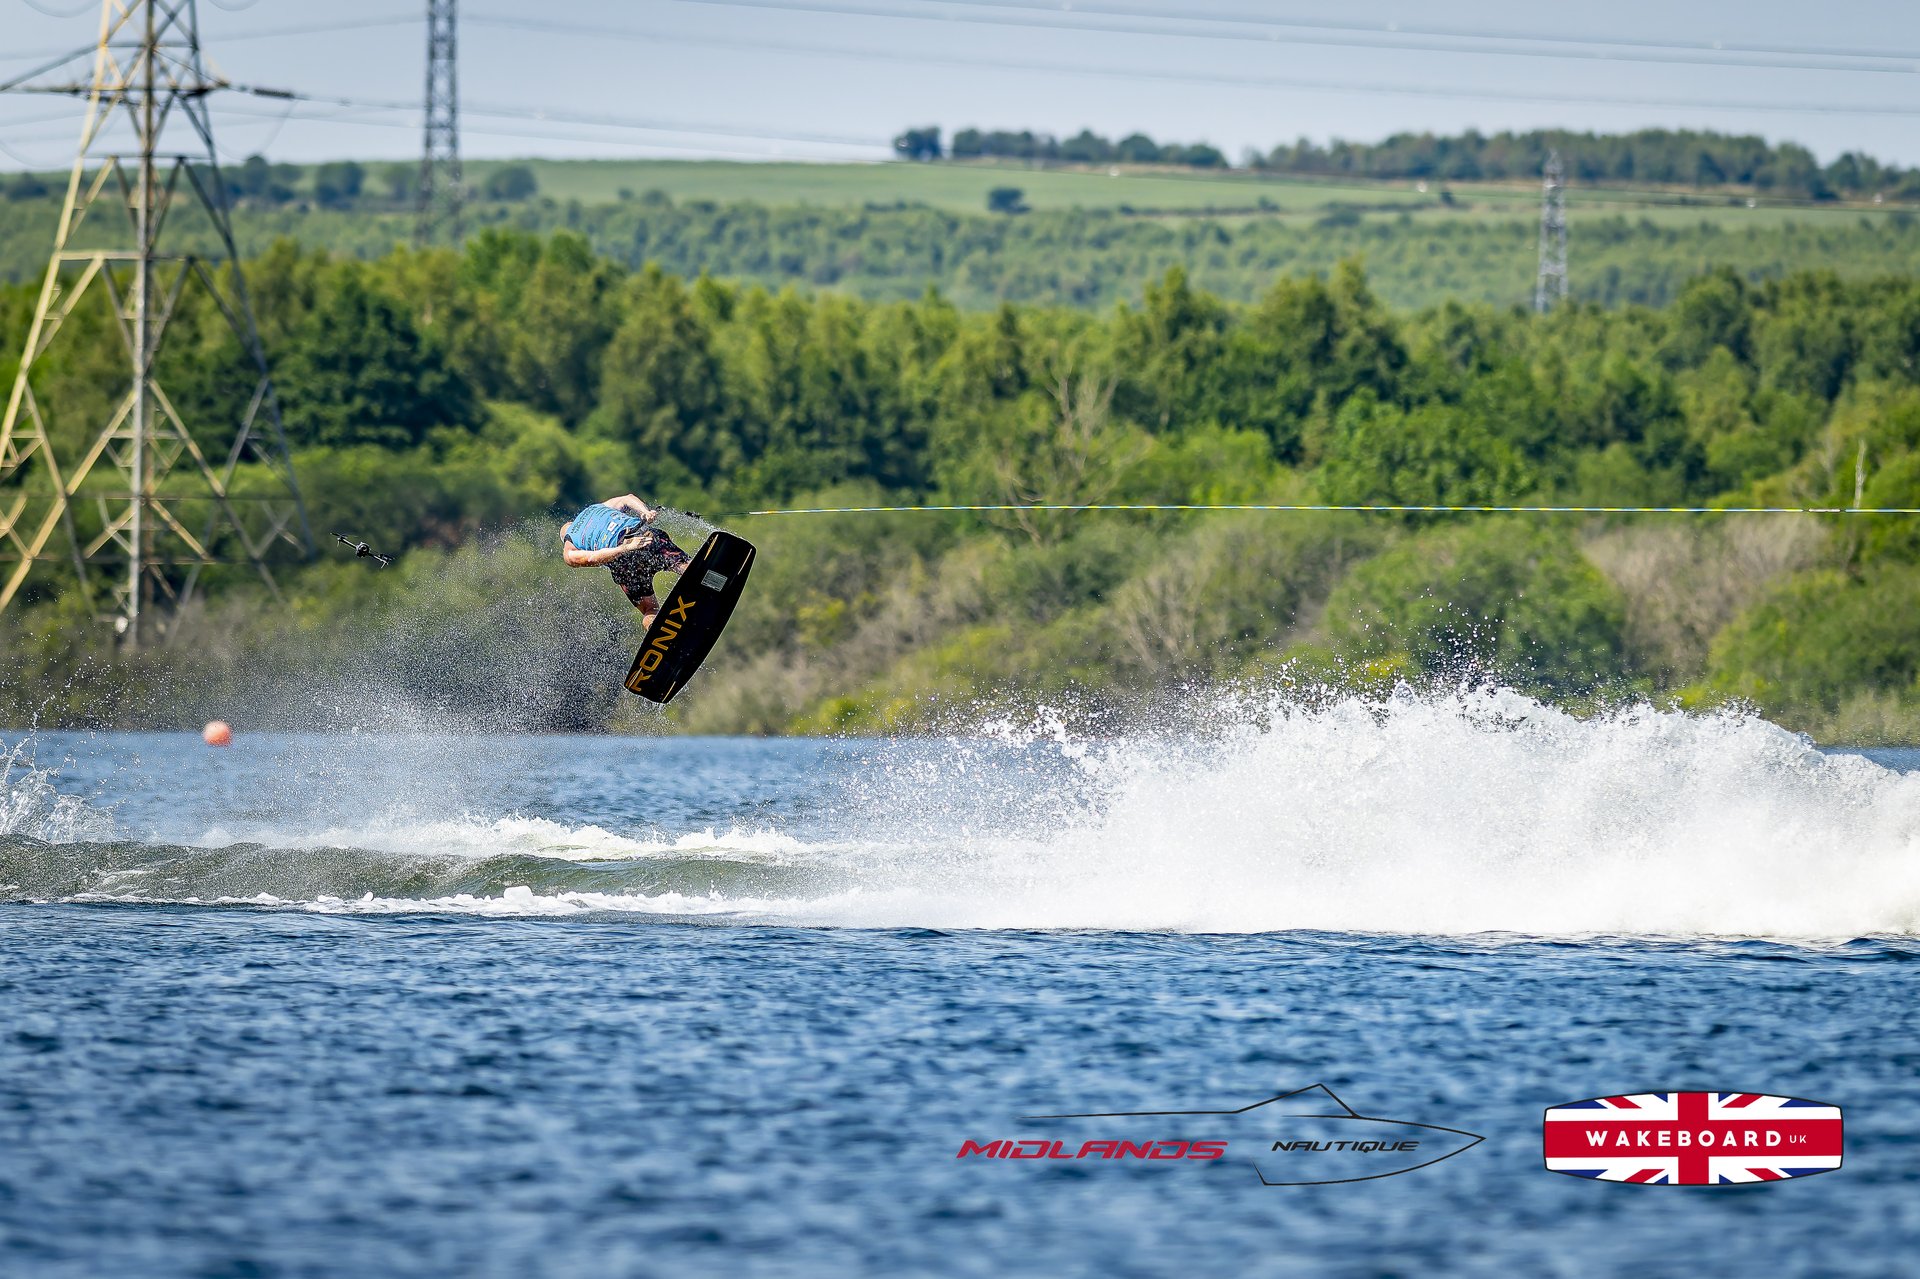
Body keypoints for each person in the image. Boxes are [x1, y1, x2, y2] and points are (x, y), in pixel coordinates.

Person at [561, 494, 693, 630]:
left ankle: (656, 629)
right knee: (682, 566)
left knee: (650, 609)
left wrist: (624, 548)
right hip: (642, 536)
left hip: (623, 563)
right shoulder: (594, 509)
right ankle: (699, 572)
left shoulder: (570, 549)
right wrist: (645, 512)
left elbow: (593, 558)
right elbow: (627, 498)